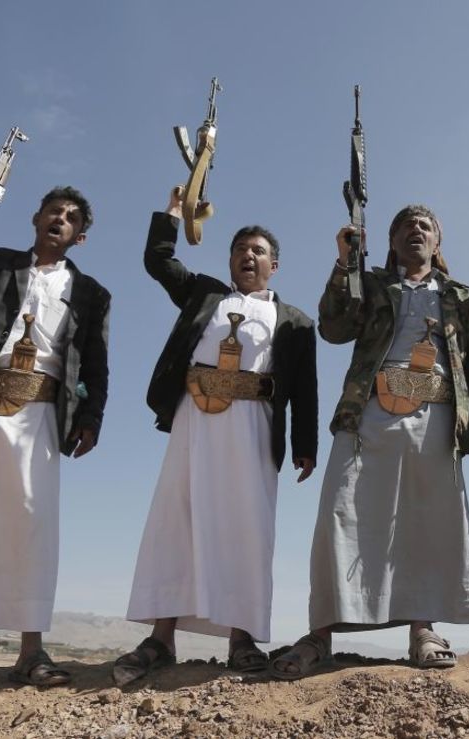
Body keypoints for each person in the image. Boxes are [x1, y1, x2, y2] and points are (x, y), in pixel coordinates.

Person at [271, 205, 469, 679]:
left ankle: (424, 629)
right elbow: (334, 329)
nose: (416, 231)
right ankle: (321, 635)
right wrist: (345, 265)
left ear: (438, 242)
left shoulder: (459, 296)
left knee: (428, 522)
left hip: (438, 417)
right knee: (342, 512)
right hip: (369, 413)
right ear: (391, 240)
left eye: (426, 226)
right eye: (405, 226)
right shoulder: (371, 284)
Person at [114, 185, 317, 685]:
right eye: (239, 249)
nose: (248, 255)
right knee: (177, 518)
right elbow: (158, 260)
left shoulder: (294, 321)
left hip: (254, 428)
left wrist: (306, 447)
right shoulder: (204, 294)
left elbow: (306, 388)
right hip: (194, 423)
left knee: (247, 528)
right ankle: (161, 638)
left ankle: (241, 637)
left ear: (275, 265)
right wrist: (172, 212)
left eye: (259, 251)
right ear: (228, 260)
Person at [0, 186, 110, 691]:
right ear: (36, 218)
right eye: (54, 210)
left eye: (72, 216)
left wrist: (91, 418)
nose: (61, 218)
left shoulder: (93, 294)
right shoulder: (1, 265)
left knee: (31, 521)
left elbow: (96, 365)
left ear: (82, 236)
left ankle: (31, 652)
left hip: (39, 413)